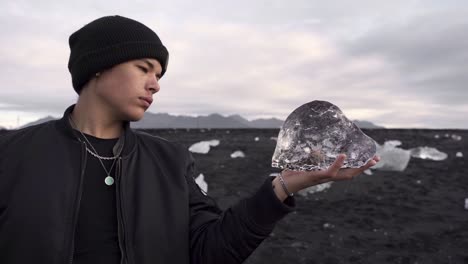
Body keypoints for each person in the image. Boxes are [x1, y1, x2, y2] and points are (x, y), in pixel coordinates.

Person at [0, 15, 379, 264]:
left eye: (159, 73)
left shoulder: (169, 161)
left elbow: (209, 251)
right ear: (98, 66)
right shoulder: (13, 155)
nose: (156, 83)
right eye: (143, 68)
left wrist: (281, 188)